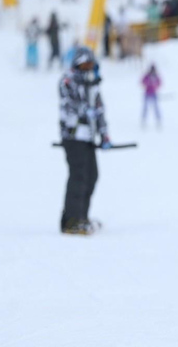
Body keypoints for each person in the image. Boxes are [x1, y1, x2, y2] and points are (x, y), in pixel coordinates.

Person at [59, 46, 111, 235]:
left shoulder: (93, 85)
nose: (88, 69)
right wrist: (84, 111)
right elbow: (70, 106)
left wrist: (104, 134)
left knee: (92, 176)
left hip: (88, 138)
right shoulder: (68, 82)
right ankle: (71, 220)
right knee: (78, 176)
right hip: (73, 137)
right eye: (85, 65)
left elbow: (99, 110)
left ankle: (82, 216)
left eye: (91, 65)